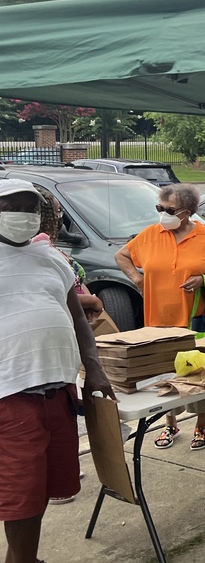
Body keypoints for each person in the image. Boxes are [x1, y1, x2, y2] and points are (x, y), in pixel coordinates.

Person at [0, 179, 116, 562]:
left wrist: (94, 370)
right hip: (11, 394)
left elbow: (78, 318)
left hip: (58, 391)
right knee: (19, 491)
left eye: (29, 209)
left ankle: (23, 556)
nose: (23, 217)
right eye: (12, 207)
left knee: (44, 485)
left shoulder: (51, 258)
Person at [115, 183, 205, 451]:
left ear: (188, 211)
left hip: (194, 322)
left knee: (198, 375)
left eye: (169, 209)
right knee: (164, 374)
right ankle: (169, 423)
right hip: (157, 322)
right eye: (160, 208)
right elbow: (121, 255)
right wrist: (136, 278)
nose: (163, 213)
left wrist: (203, 280)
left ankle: (201, 424)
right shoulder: (150, 235)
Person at [32, 186, 104, 320]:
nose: (60, 217)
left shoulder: (50, 246)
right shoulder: (34, 250)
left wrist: (88, 301)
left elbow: (76, 282)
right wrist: (92, 302)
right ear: (45, 216)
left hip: (78, 318)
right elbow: (53, 294)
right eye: (58, 211)